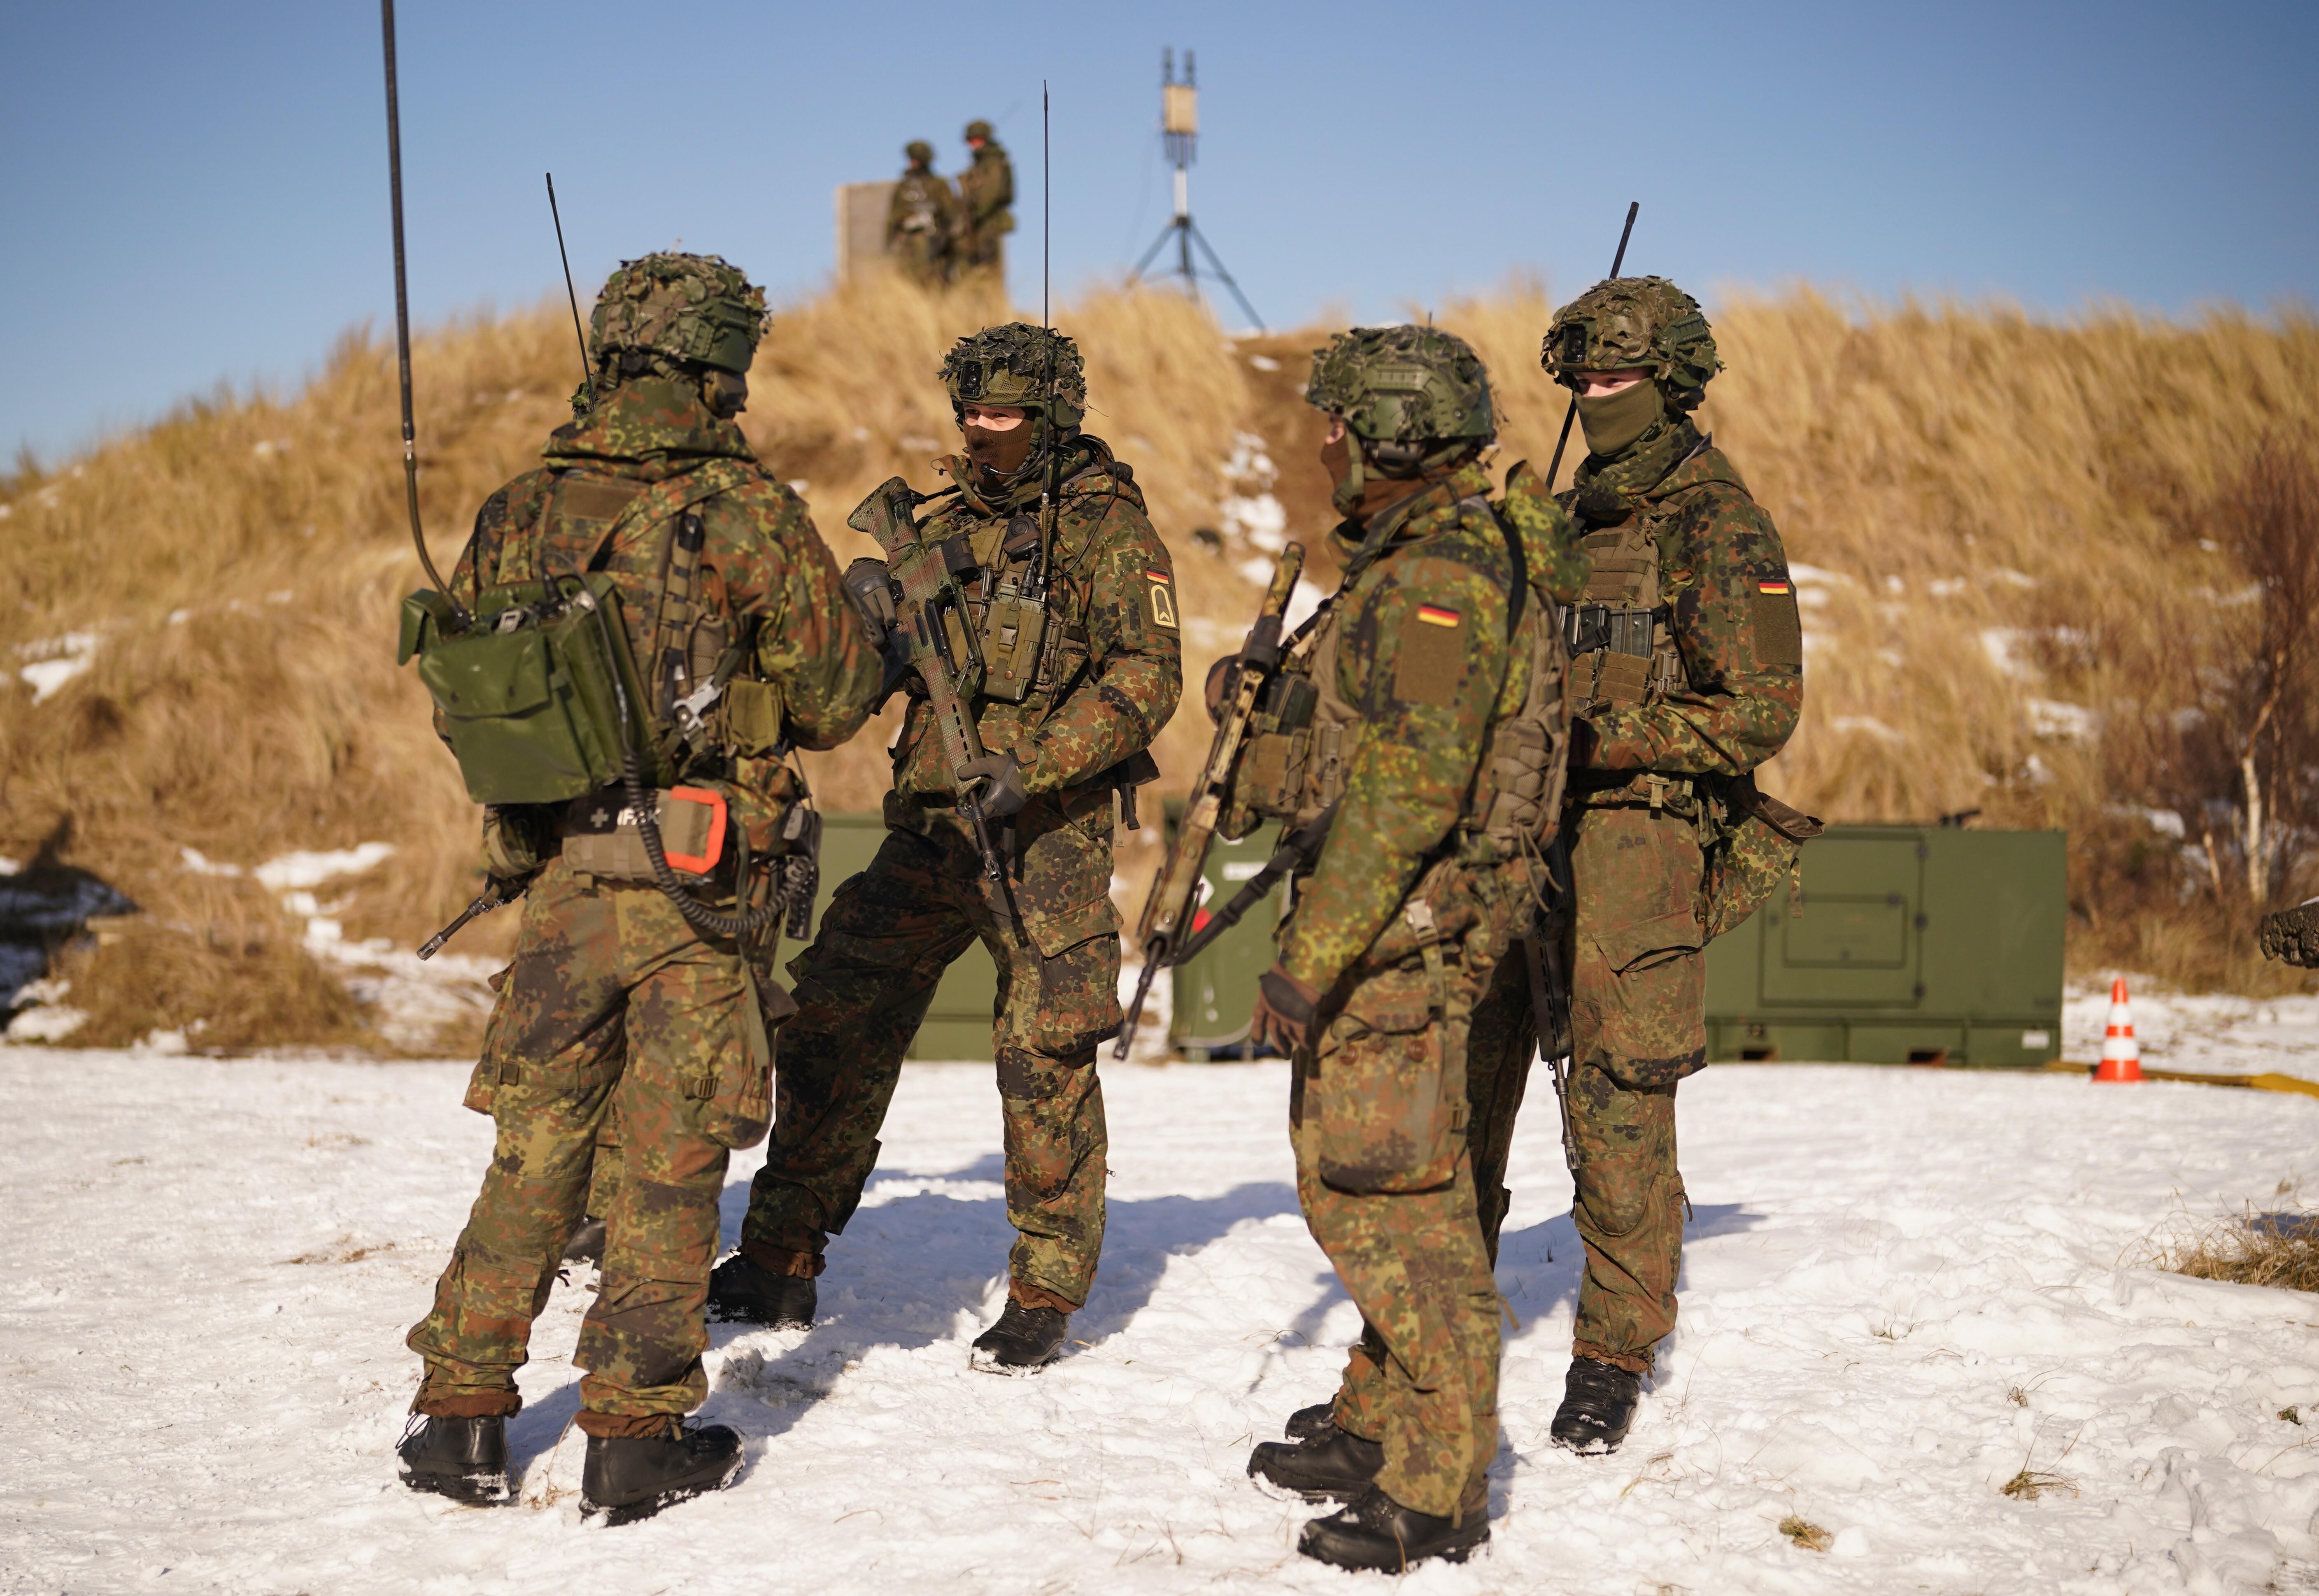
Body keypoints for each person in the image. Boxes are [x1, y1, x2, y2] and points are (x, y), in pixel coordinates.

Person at [394, 253, 882, 1523]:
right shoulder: (745, 506)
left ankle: (459, 1413)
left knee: (536, 1147)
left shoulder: (518, 505)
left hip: (561, 872)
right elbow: (832, 698)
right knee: (668, 1160)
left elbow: (470, 695)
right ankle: (631, 1430)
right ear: (721, 364)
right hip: (695, 882)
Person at [708, 323, 1182, 1375]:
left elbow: (1148, 677)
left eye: (1004, 411)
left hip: (1042, 837)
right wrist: (860, 627)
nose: (980, 427)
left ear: (1052, 413)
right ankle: (780, 1251)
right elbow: (857, 679)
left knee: (1042, 1049)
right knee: (832, 1011)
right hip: (926, 827)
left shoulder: (1107, 530)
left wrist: (1039, 763)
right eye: (969, 408)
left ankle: (1044, 1290)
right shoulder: (932, 529)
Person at [1235, 326, 1584, 1571]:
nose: (1322, 439)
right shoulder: (1401, 566)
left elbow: (1408, 789)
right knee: (1362, 1177)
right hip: (1378, 923)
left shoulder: (1444, 574)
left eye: (1337, 419)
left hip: (1399, 930)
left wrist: (1311, 957)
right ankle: (1378, 1422)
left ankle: (1435, 1486)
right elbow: (1347, 763)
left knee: (1397, 1202)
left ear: (1385, 431)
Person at [1462, 275, 1804, 1458]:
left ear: (1671, 382)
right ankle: (1430, 1336)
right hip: (1514, 837)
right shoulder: (1564, 514)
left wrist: (1602, 739)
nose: (1595, 395)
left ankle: (1611, 1349)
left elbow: (1760, 708)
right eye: (1582, 376)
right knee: (1464, 1076)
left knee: (1617, 1099)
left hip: (1633, 848)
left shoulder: (1715, 521)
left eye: (1618, 377)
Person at [885, 141, 959, 288]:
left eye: (917, 160)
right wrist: (889, 242)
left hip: (934, 241)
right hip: (907, 244)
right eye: (912, 160)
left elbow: (950, 214)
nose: (914, 164)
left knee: (935, 282)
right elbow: (893, 218)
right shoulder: (903, 187)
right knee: (907, 281)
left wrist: (946, 241)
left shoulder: (939, 185)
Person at [954, 119, 1015, 284]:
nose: (974, 144)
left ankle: (991, 302)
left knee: (989, 266)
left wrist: (977, 213)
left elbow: (993, 193)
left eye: (978, 139)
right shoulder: (979, 163)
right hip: (977, 221)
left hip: (989, 220)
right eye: (972, 140)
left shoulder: (993, 161)